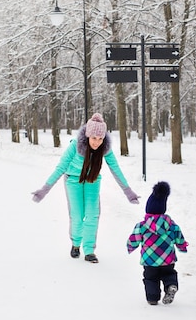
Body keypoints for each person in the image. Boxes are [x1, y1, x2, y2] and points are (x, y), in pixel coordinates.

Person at [32, 113, 140, 263]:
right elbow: (60, 168)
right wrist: (44, 189)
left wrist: (128, 191)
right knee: (77, 215)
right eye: (94, 138)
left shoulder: (105, 148)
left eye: (100, 138)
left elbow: (115, 169)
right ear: (88, 135)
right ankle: (76, 244)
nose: (97, 142)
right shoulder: (75, 146)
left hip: (92, 180)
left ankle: (89, 250)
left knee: (92, 214)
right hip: (73, 179)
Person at [127, 181, 188, 305]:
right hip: (167, 258)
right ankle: (171, 285)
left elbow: (134, 239)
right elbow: (179, 237)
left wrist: (130, 246)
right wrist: (182, 246)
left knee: (150, 278)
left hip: (150, 260)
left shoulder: (142, 226)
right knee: (169, 273)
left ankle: (152, 298)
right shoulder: (171, 224)